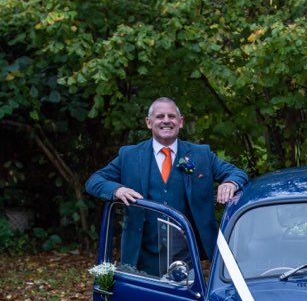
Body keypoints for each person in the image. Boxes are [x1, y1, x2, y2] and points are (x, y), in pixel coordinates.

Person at [86, 97, 248, 275]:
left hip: (188, 255)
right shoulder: (129, 156)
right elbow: (94, 181)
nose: (166, 120)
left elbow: (238, 173)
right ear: (149, 123)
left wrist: (230, 183)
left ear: (180, 122)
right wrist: (117, 189)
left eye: (171, 116)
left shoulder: (201, 154)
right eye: (160, 116)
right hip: (142, 254)